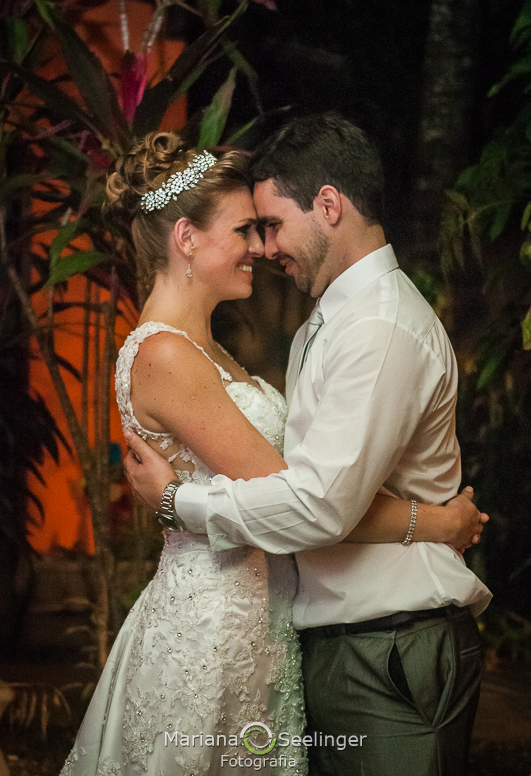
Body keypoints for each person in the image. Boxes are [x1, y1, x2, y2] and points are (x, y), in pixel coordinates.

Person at [61, 131, 480, 776]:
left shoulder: (219, 348)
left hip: (265, 620)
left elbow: (310, 496)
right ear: (186, 238)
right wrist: (435, 521)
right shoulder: (168, 354)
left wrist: (179, 500)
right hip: (216, 626)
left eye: (267, 227)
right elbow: (307, 497)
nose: (260, 247)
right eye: (245, 230)